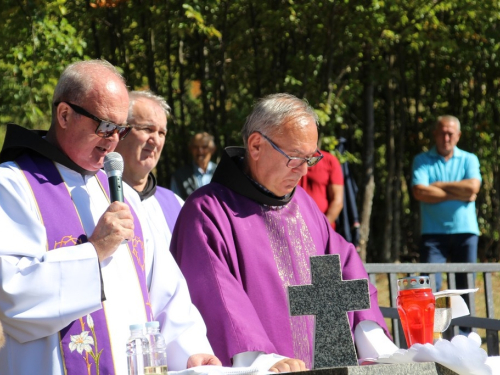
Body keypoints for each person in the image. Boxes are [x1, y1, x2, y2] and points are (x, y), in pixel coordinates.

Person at [0, 60, 219, 375]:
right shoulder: (12, 186)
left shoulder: (123, 194)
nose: (114, 140)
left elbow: (165, 290)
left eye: (122, 129)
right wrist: (94, 250)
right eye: (105, 126)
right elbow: (11, 296)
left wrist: (190, 350)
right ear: (64, 115)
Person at [170, 93, 394, 372]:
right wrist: (260, 359)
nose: (303, 171)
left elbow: (344, 268)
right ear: (255, 146)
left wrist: (370, 337)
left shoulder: (304, 205)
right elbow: (215, 294)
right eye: (294, 158)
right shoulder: (208, 211)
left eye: (309, 159)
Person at [412, 115, 481, 332]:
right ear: (435, 134)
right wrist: (458, 192)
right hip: (433, 234)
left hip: (466, 232)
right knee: (433, 286)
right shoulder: (422, 160)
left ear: (458, 135)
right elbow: (420, 191)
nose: (446, 137)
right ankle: (435, 334)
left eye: (451, 133)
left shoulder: (469, 159)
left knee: (465, 286)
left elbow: (473, 189)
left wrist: (439, 186)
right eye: (442, 132)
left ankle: (466, 334)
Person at [299, 149, 344, 230]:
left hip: (320, 229)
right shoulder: (289, 157)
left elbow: (337, 202)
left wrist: (322, 228)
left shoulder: (329, 161)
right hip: (291, 226)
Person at [170, 132, 217, 199]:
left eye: (204, 147)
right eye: (195, 147)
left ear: (213, 149)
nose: (200, 151)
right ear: (190, 149)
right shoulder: (179, 176)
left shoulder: (222, 173)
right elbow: (174, 203)